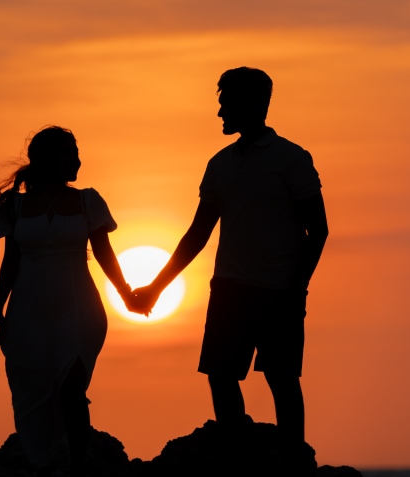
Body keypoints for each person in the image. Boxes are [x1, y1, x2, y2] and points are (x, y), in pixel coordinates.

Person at [133, 67, 328, 455]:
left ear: (254, 104)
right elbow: (198, 234)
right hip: (229, 290)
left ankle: (294, 468)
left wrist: (296, 288)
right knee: (221, 375)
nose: (220, 112)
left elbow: (318, 230)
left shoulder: (291, 159)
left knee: (282, 378)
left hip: (280, 291)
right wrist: (156, 286)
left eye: (226, 103)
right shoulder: (219, 164)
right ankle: (236, 462)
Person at [0, 126, 137, 477]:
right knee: (33, 389)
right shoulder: (17, 207)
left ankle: (77, 476)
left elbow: (105, 253)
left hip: (79, 306)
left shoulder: (89, 201)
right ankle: (42, 468)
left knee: (72, 388)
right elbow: (11, 259)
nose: (77, 160)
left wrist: (125, 294)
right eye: (71, 152)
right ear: (51, 159)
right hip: (30, 307)